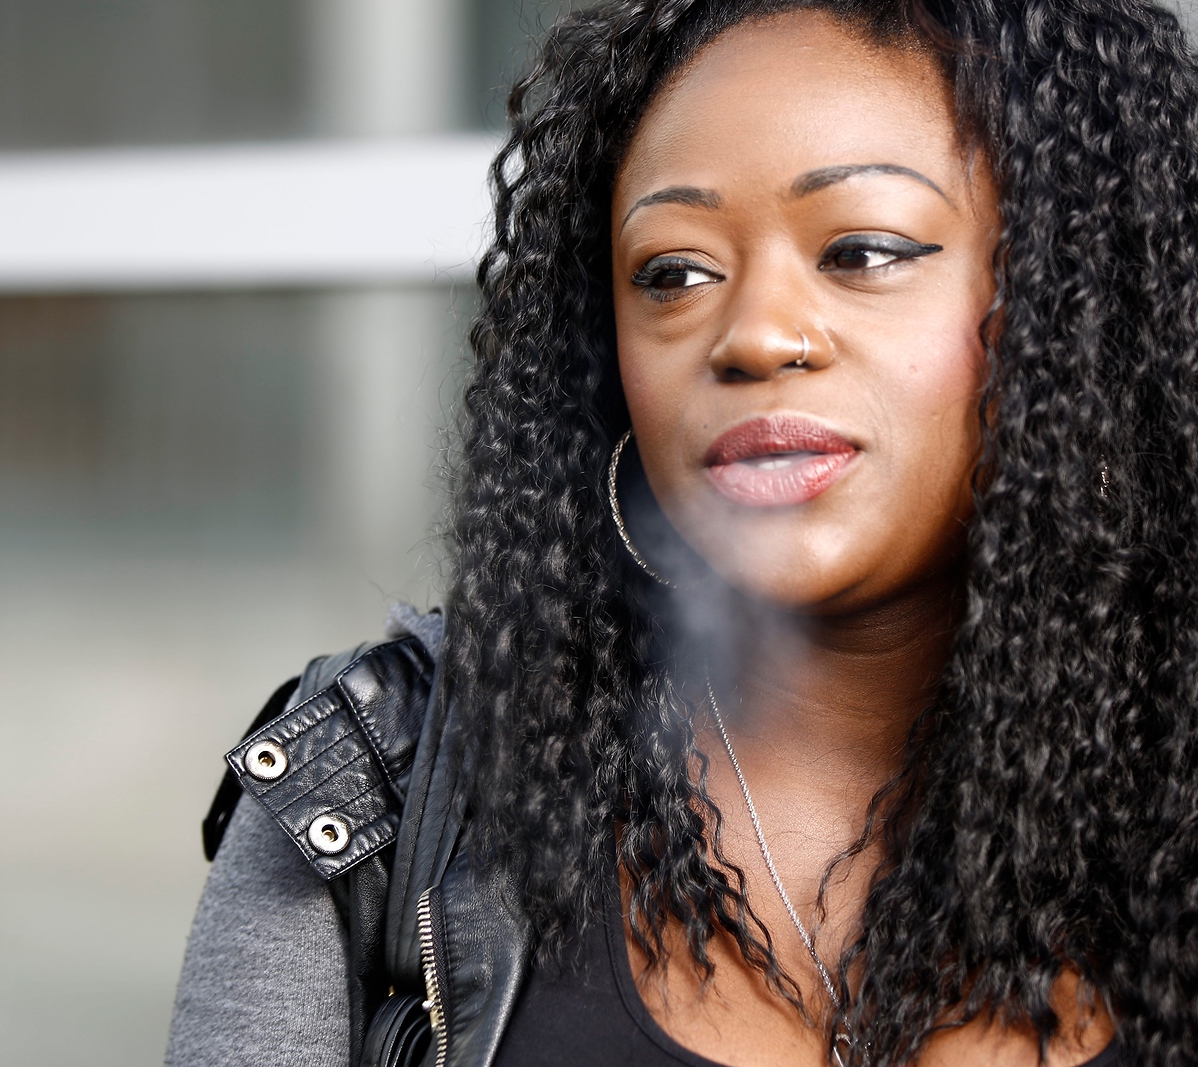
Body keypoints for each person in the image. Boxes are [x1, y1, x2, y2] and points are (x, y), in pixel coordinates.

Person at [166, 1, 1198, 1065]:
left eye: (862, 250)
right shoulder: (373, 787)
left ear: (1076, 304)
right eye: (672, 272)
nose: (751, 332)